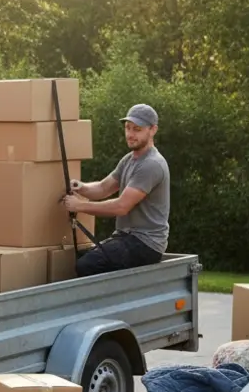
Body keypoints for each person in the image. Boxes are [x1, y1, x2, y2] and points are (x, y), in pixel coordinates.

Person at [61, 103, 170, 276]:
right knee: (83, 258)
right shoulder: (129, 160)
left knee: (88, 265)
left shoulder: (151, 165)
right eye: (128, 128)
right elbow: (103, 188)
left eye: (137, 129)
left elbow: (121, 207)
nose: (130, 134)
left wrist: (79, 206)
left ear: (153, 130)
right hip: (127, 238)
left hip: (145, 244)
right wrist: (80, 187)